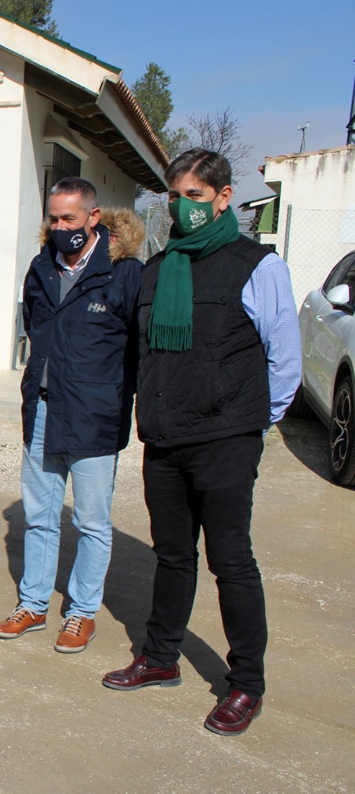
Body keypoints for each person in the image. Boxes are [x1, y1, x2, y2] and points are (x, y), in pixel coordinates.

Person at [102, 149, 301, 736]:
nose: (182, 205)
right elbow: (143, 354)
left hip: (225, 438)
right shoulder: (159, 269)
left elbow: (284, 359)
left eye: (194, 195)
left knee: (231, 561)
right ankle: (161, 657)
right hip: (165, 436)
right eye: (173, 195)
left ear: (222, 198)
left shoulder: (256, 265)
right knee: (172, 555)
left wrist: (249, 423)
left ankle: (247, 684)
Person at [0, 181, 144, 654]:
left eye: (69, 220)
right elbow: (35, 333)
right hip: (43, 410)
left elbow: (137, 352)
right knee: (39, 517)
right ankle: (33, 605)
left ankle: (81, 614)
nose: (60, 228)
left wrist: (122, 403)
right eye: (54, 219)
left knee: (93, 523)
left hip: (95, 418)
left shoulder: (125, 274)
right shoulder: (40, 269)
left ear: (93, 217)